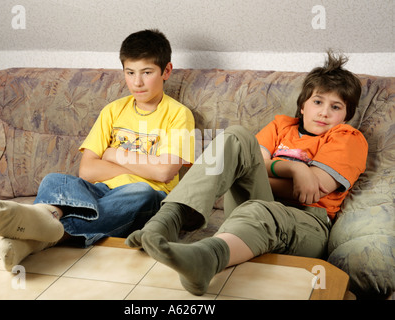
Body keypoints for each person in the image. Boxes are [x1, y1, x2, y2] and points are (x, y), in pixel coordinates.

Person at [125, 51, 368, 296]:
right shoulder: (281, 126)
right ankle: (167, 221)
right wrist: (296, 168)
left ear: (346, 116)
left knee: (259, 208)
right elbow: (255, 161)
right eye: (318, 102)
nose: (324, 112)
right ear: (302, 106)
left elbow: (309, 190)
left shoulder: (347, 138)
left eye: (335, 107)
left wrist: (263, 170)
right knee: (237, 135)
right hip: (251, 206)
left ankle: (206, 260)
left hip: (307, 222)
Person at [0, 29, 195, 270]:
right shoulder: (113, 110)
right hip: (100, 191)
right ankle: (39, 227)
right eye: (130, 72)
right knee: (55, 180)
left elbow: (164, 172)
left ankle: (41, 231)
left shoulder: (179, 114)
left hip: (148, 198)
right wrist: (142, 165)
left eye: (147, 73)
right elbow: (87, 170)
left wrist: (116, 154)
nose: (137, 82)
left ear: (166, 71)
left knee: (140, 191)